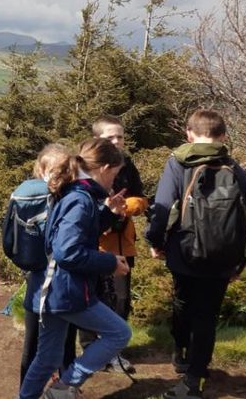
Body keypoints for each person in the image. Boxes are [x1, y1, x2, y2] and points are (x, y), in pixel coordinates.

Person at [144, 109, 246, 399]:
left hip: (184, 252)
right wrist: (242, 261)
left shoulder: (177, 163)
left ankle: (181, 352)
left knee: (183, 302)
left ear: (189, 134)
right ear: (222, 136)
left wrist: (155, 241)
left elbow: (163, 208)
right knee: (207, 315)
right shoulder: (234, 168)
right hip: (223, 258)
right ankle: (195, 378)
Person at [19, 138, 133, 399]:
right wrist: (110, 262)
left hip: (49, 290)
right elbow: (67, 251)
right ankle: (64, 387)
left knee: (47, 358)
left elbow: (74, 235)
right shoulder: (81, 199)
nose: (113, 182)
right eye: (113, 174)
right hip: (67, 292)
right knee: (118, 333)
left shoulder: (73, 192)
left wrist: (109, 214)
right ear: (104, 168)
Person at [79, 115, 148, 374]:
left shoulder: (128, 165)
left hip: (123, 242)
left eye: (120, 136)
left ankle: (114, 352)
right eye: (111, 137)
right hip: (96, 245)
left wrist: (128, 207)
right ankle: (90, 350)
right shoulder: (87, 169)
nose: (117, 141)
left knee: (121, 298)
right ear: (98, 139)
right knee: (91, 296)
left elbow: (141, 197)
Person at [11, 143, 79, 385]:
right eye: (57, 170)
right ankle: (63, 387)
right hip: (60, 280)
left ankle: (28, 390)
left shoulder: (29, 196)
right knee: (62, 338)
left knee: (37, 341)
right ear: (42, 170)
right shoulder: (64, 199)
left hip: (37, 278)